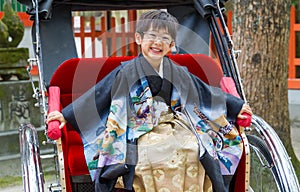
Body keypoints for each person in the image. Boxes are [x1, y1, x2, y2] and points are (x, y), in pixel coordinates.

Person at [47, 10, 252, 192]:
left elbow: (204, 93)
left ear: (172, 44)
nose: (158, 42)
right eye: (152, 36)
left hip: (175, 123)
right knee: (148, 156)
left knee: (193, 149)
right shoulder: (125, 71)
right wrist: (66, 115)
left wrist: (236, 106)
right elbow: (100, 94)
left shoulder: (178, 72)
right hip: (136, 126)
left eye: (165, 38)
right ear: (138, 38)